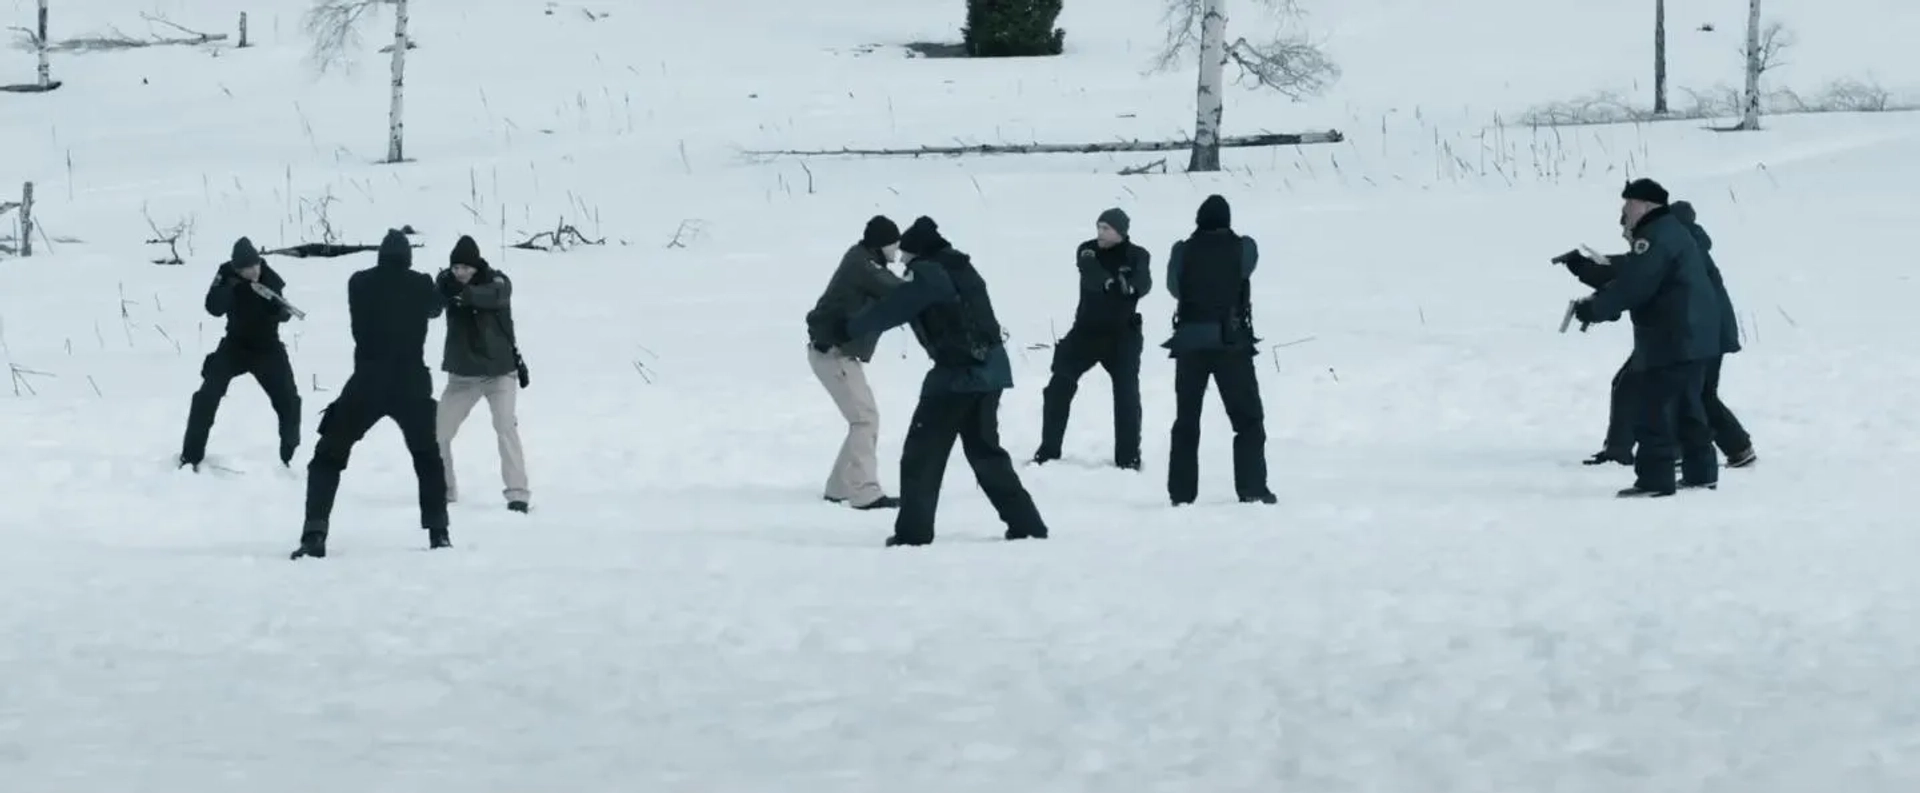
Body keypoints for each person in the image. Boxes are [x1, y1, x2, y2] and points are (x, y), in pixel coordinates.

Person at [824, 216, 1048, 546]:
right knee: (986, 452)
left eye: (906, 255)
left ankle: (913, 534)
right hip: (991, 371)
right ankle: (1026, 524)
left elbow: (898, 306)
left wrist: (849, 329)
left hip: (957, 376)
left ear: (919, 253)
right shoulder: (960, 267)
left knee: (921, 454)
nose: (901, 261)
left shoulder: (929, 272)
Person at [1560, 199, 1756, 470]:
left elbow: (1637, 277)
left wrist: (1591, 280)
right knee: (1693, 394)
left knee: (1665, 391)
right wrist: (1588, 270)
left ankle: (1664, 455)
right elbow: (1633, 270)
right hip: (1701, 332)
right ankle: (1728, 449)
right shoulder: (1685, 243)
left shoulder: (1672, 245)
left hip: (1688, 334)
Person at [292, 230, 450, 559]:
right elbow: (436, 307)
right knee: (427, 456)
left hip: (367, 381)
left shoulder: (358, 282)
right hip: (411, 382)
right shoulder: (421, 284)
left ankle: (315, 531)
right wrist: (444, 282)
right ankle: (439, 533)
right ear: (408, 258)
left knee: (328, 455)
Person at [1571, 178, 1723, 497]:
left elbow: (1635, 285)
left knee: (1651, 405)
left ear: (1645, 205)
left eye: (1628, 204)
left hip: (1671, 337)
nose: (1624, 211)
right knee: (1688, 407)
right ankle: (1701, 473)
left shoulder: (1654, 238)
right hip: (1697, 335)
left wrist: (1594, 309)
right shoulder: (1671, 233)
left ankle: (1655, 479)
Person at [1162, 195, 1276, 506]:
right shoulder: (1243, 247)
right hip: (1231, 344)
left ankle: (1181, 494)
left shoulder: (1182, 250)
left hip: (1188, 343)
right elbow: (1247, 268)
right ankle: (1252, 488)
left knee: (1186, 420)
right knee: (1248, 420)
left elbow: (1174, 287)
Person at [1034, 208, 1151, 470]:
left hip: (1123, 335)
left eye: (1106, 229)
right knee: (1058, 387)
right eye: (1099, 227)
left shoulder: (1138, 255)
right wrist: (1110, 283)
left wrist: (1131, 286)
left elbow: (1144, 280)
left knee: (1127, 396)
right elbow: (1089, 271)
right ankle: (1048, 451)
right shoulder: (1087, 249)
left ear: (1121, 232)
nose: (1100, 233)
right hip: (1085, 333)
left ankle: (1128, 458)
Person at [804, 216, 905, 509]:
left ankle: (840, 487)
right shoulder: (863, 265)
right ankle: (864, 492)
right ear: (882, 244)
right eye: (894, 245)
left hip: (835, 354)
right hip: (832, 355)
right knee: (864, 419)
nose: (897, 251)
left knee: (863, 418)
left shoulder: (862, 259)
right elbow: (898, 291)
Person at [178, 237, 302, 470]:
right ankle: (190, 457)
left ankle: (289, 455)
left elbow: (282, 311)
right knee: (206, 396)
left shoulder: (271, 279)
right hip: (234, 345)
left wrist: (278, 312)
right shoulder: (226, 274)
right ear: (237, 268)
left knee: (289, 400)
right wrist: (231, 287)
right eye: (247, 268)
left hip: (267, 348)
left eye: (255, 265)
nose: (254, 271)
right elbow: (213, 308)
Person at [434, 235, 532, 514]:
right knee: (439, 433)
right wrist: (443, 289)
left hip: (499, 373)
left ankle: (518, 495)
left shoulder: (498, 281)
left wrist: (461, 293)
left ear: (476, 266)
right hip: (462, 376)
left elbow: (493, 297)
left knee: (505, 428)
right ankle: (443, 490)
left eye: (466, 268)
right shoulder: (446, 284)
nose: (460, 273)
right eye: (456, 268)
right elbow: (431, 307)